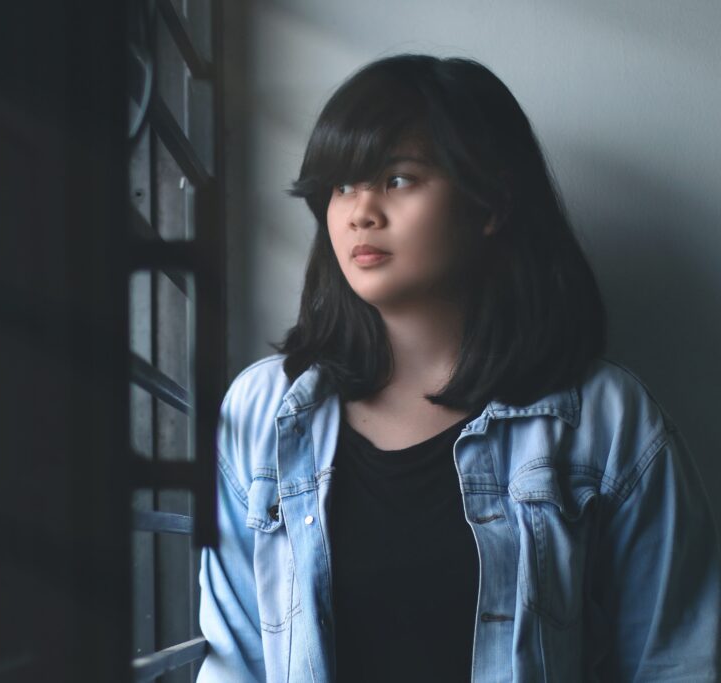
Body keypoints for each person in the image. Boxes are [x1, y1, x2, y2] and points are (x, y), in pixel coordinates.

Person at [196, 54, 721, 682]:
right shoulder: (260, 413)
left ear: (490, 202)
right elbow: (234, 663)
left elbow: (676, 660)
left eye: (397, 179)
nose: (360, 211)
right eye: (341, 185)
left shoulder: (605, 420)